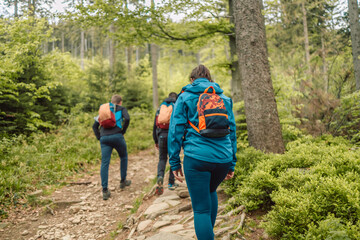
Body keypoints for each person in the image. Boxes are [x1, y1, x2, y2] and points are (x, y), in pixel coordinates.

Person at [168, 65, 237, 240]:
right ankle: (208, 234)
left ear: (192, 80)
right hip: (223, 158)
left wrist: (174, 161)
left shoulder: (184, 97)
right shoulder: (223, 98)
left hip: (197, 158)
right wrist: (232, 162)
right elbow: (232, 132)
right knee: (211, 191)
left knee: (200, 209)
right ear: (209, 79)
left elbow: (175, 130)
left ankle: (206, 234)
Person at [92, 95, 131, 200]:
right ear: (120, 102)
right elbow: (127, 118)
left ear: (111, 102)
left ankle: (105, 190)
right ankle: (123, 181)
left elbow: (94, 126)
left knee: (105, 163)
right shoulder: (121, 109)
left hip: (104, 138)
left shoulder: (104, 110)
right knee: (123, 157)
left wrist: (99, 137)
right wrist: (123, 131)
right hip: (117, 136)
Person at [153, 92, 178, 195]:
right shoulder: (176, 106)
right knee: (173, 157)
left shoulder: (161, 107)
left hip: (161, 136)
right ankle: (171, 183)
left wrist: (156, 140)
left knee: (162, 159)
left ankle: (160, 177)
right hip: (172, 136)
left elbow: (154, 126)